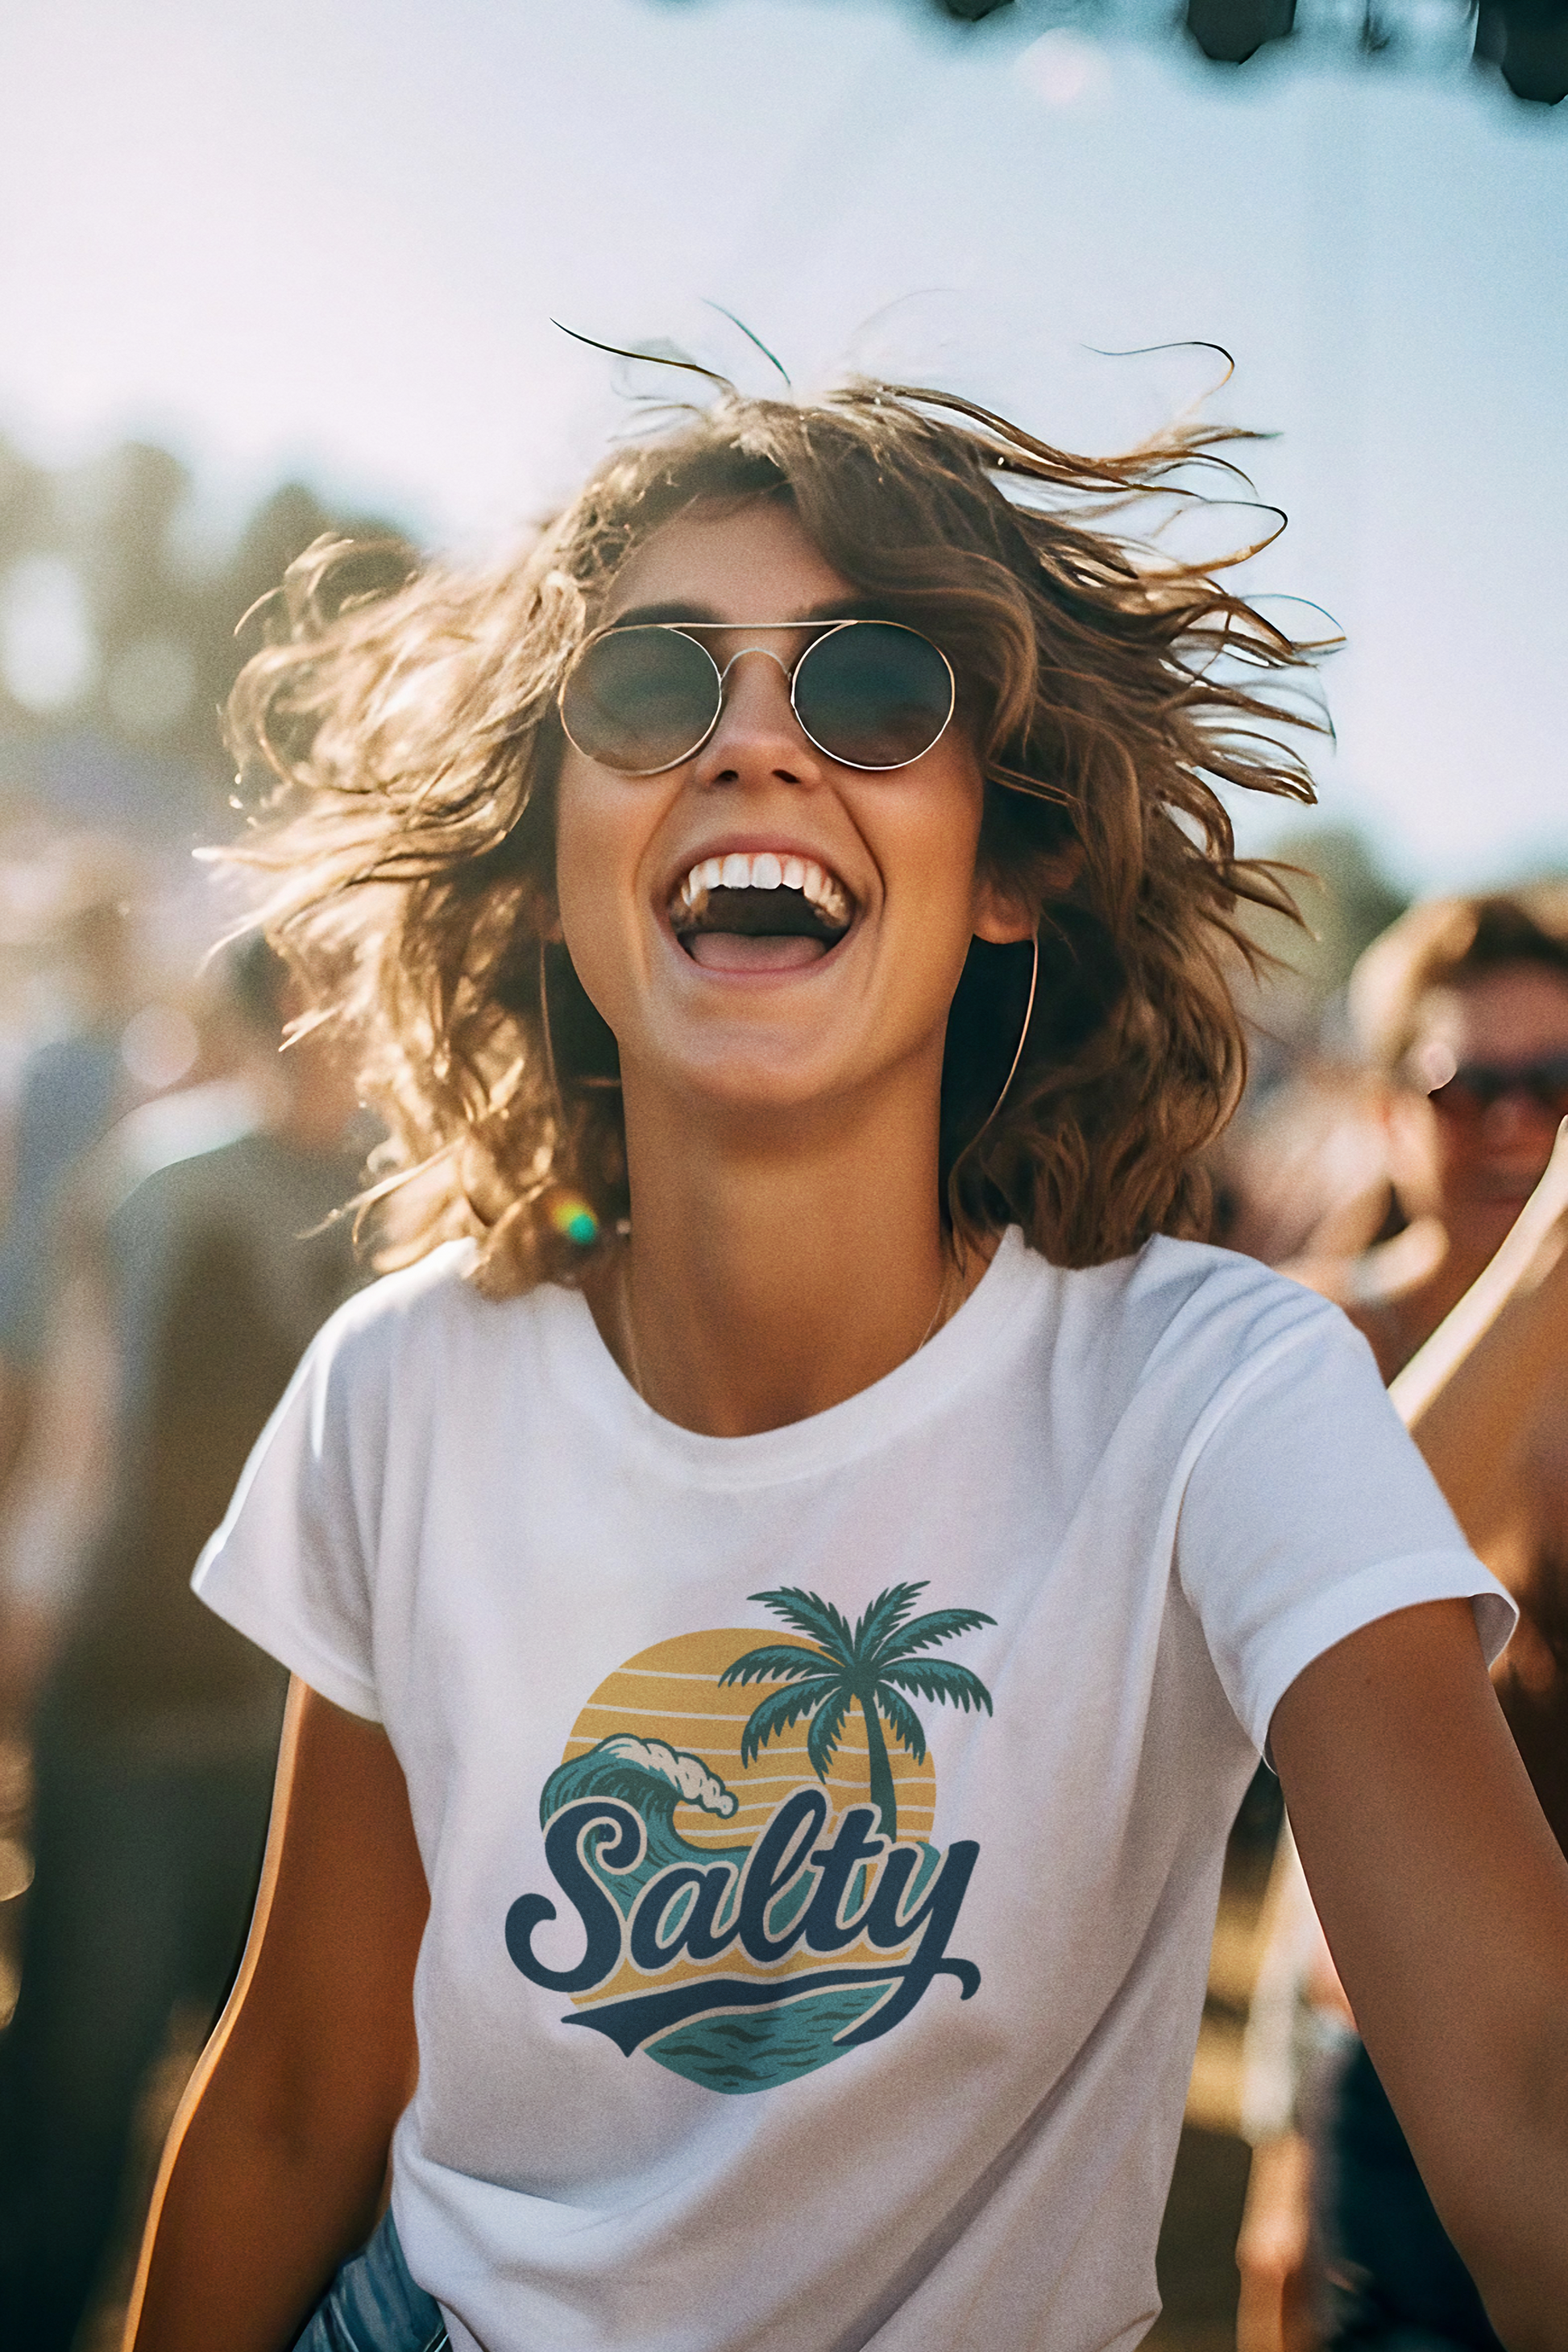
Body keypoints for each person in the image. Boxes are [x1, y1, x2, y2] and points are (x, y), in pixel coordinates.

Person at [122, 381, 1568, 2352]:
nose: (751, 744)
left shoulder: (1218, 1392)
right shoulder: (403, 1388)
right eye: (649, 688)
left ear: (1008, 868)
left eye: (874, 690)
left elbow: (1525, 2098)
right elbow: (293, 2099)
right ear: (558, 851)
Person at [0, 939, 367, 2350]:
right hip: (143, 1707)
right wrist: (28, 1626)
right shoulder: (163, 1181)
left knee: (319, 2130)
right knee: (77, 2104)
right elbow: (82, 1434)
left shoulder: (450, 1188)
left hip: (336, 1745)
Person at [1237, 891, 1568, 2351]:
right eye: (1465, 1086)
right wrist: (1281, 2137)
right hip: (1397, 2052)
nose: (1512, 1126)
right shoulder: (1308, 1340)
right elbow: (1353, 1593)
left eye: (1553, 1086)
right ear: (1384, 1113)